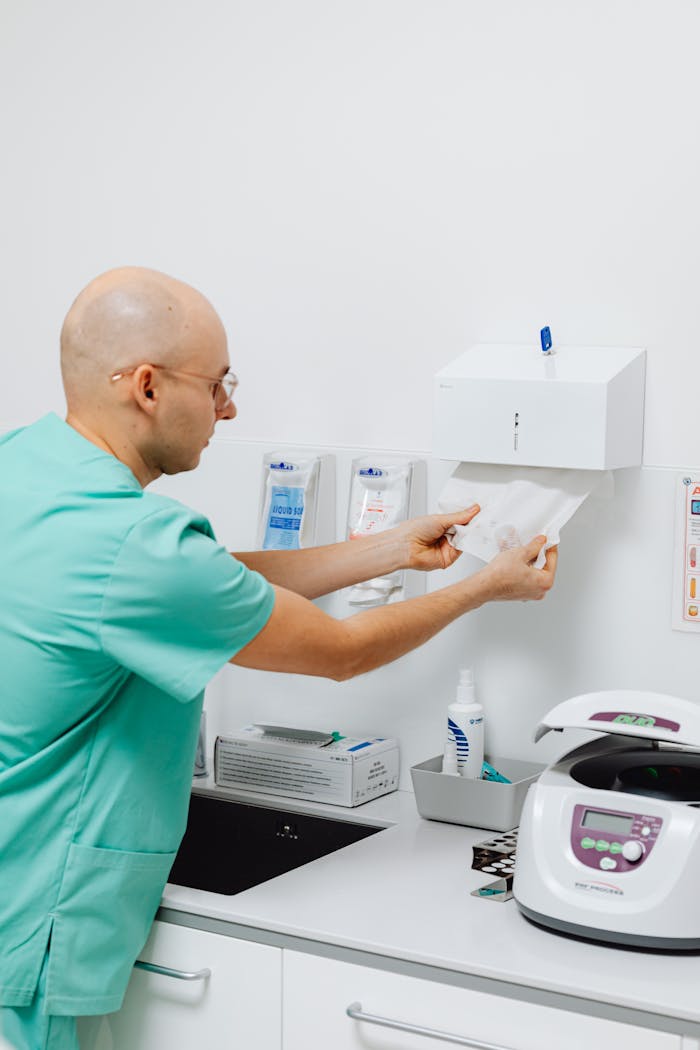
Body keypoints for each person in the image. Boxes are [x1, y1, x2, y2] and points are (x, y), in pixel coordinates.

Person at [0, 267, 557, 1050]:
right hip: (34, 919)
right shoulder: (134, 542)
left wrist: (388, 548)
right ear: (150, 388)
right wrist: (486, 587)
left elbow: (210, 583)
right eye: (219, 383)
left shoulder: (27, 467)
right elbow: (342, 653)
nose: (230, 407)